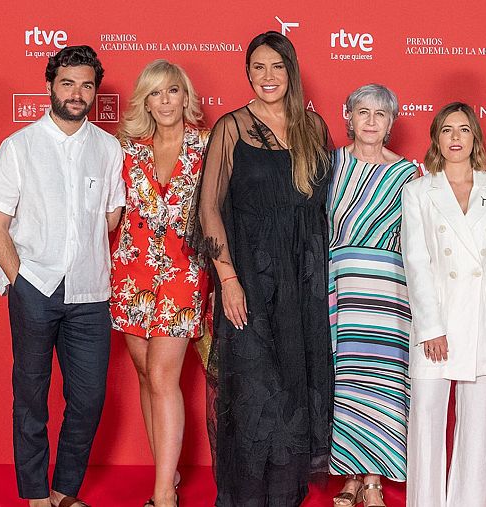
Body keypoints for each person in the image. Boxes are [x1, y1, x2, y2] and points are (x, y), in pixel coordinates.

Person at [183, 31, 333, 507]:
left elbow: (322, 207)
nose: (268, 77)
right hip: (246, 277)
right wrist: (228, 279)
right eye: (258, 68)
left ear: (291, 72)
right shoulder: (232, 127)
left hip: (302, 281)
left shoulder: (314, 129)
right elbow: (209, 209)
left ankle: (284, 495)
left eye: (277, 67)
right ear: (247, 73)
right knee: (250, 389)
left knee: (293, 385)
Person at [0, 45, 124, 507]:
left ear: (95, 91)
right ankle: (36, 496)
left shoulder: (107, 147)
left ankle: (64, 491)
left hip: (90, 292)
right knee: (31, 397)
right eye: (68, 83)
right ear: (49, 86)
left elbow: (110, 216)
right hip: (34, 289)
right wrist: (21, 281)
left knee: (88, 400)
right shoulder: (18, 147)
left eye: (86, 85)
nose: (77, 93)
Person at [402, 102, 486, 507]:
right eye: (446, 130)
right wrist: (431, 327)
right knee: (426, 419)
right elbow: (416, 261)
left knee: (476, 426)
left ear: (474, 136)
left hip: (485, 319)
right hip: (435, 320)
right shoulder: (419, 191)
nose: (455, 137)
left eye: (463, 129)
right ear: (436, 139)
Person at [110, 59, 212, 507]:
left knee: (163, 376)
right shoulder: (126, 150)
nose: (165, 100)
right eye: (155, 93)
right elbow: (108, 209)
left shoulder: (209, 147)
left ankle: (162, 498)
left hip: (184, 275)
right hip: (131, 275)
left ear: (185, 96)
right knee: (146, 375)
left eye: (172, 90)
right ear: (145, 101)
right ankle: (166, 479)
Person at [327, 84, 417, 507]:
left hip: (388, 290)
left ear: (391, 123)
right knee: (345, 382)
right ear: (348, 115)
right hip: (340, 286)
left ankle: (375, 481)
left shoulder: (407, 174)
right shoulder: (330, 165)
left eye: (380, 115)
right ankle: (348, 478)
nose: (370, 121)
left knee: (383, 382)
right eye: (363, 112)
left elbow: (419, 238)